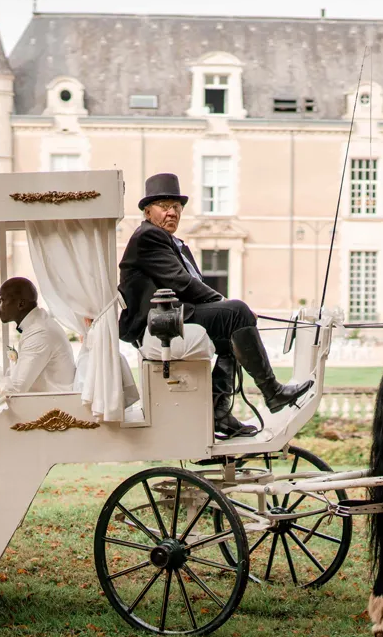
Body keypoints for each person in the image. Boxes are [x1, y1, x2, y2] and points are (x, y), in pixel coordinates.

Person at [118, 172, 310, 438]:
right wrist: (226, 304)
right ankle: (272, 392)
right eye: (164, 207)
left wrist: (228, 310)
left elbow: (186, 283)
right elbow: (182, 282)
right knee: (238, 313)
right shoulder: (148, 237)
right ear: (148, 212)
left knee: (234, 331)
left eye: (176, 207)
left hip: (171, 317)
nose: (171, 212)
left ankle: (219, 414)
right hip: (157, 324)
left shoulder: (173, 243)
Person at [0, 276, 78, 393]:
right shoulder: (38, 323)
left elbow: (16, 387)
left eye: (2, 300)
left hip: (53, 408)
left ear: (21, 304)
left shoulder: (40, 332)